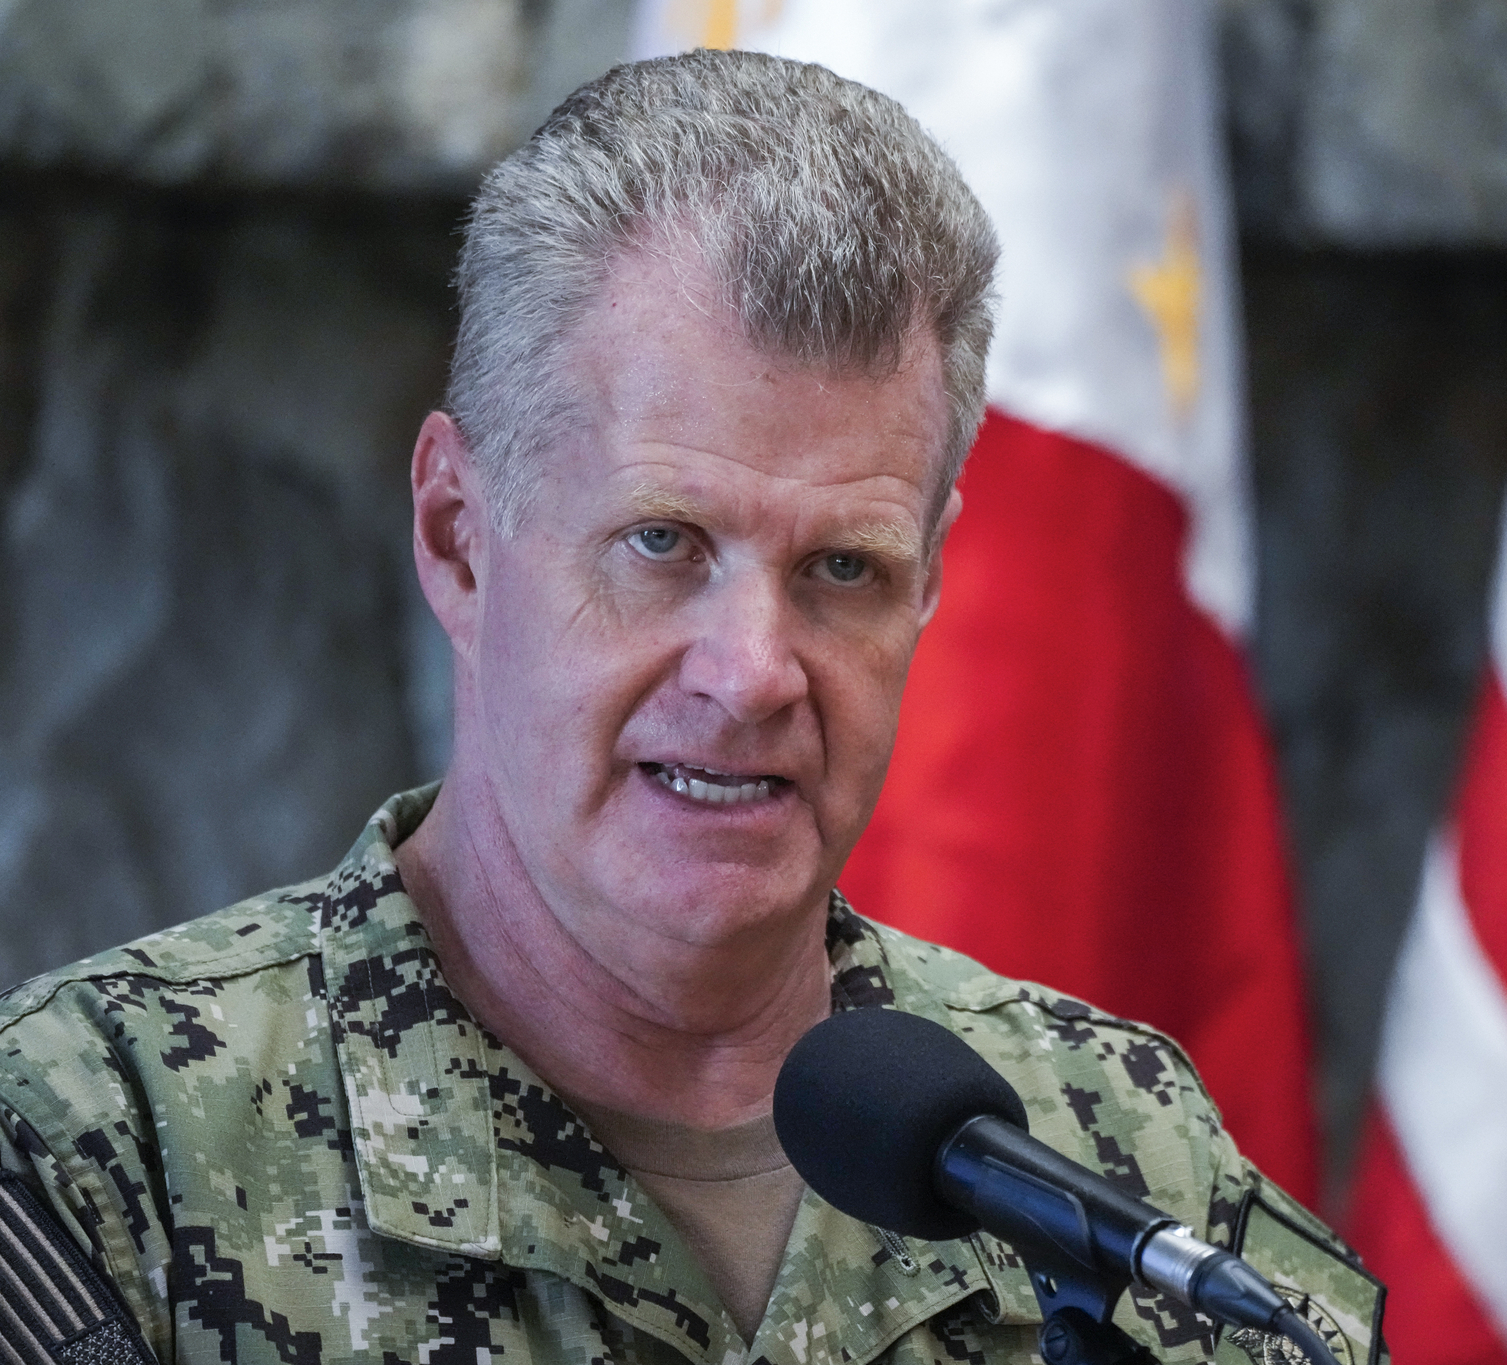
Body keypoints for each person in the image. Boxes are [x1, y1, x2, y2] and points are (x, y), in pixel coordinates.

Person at [0, 51, 1385, 1365]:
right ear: (457, 537)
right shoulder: (96, 1151)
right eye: (663, 543)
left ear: (930, 585)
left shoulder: (1116, 1149)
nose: (754, 671)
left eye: (843, 569)